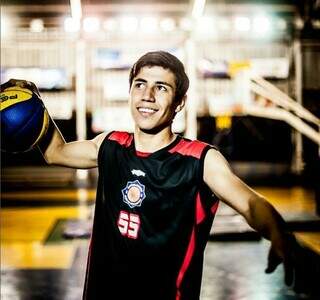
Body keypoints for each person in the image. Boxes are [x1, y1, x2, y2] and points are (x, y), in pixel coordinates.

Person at [2, 51, 301, 300]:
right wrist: (34, 101)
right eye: (140, 85)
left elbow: (250, 203)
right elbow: (57, 152)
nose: (147, 96)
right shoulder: (110, 145)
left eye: (161, 87)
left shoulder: (200, 159)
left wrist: (276, 230)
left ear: (179, 102)